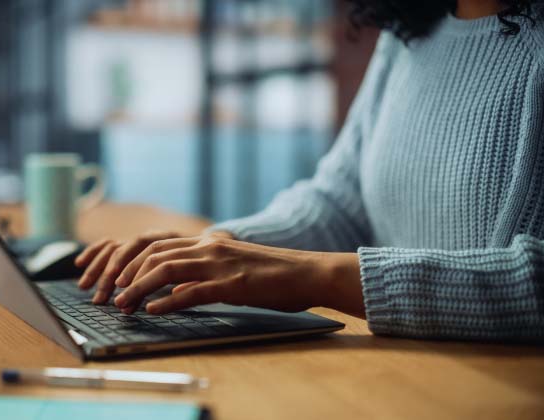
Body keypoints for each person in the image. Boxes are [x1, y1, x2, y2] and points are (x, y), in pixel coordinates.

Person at [74, 0, 544, 341]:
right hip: (392, 372)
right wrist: (216, 249)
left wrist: (317, 277)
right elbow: (340, 200)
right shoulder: (410, 32)